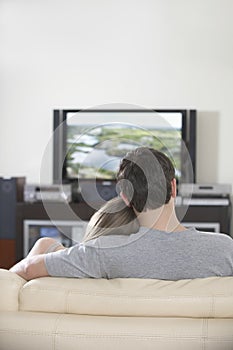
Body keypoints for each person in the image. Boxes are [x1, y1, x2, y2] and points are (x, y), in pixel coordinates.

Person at [10, 147, 233, 280]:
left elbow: (29, 268)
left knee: (45, 244)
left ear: (124, 197)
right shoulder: (224, 249)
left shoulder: (102, 252)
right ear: (173, 187)